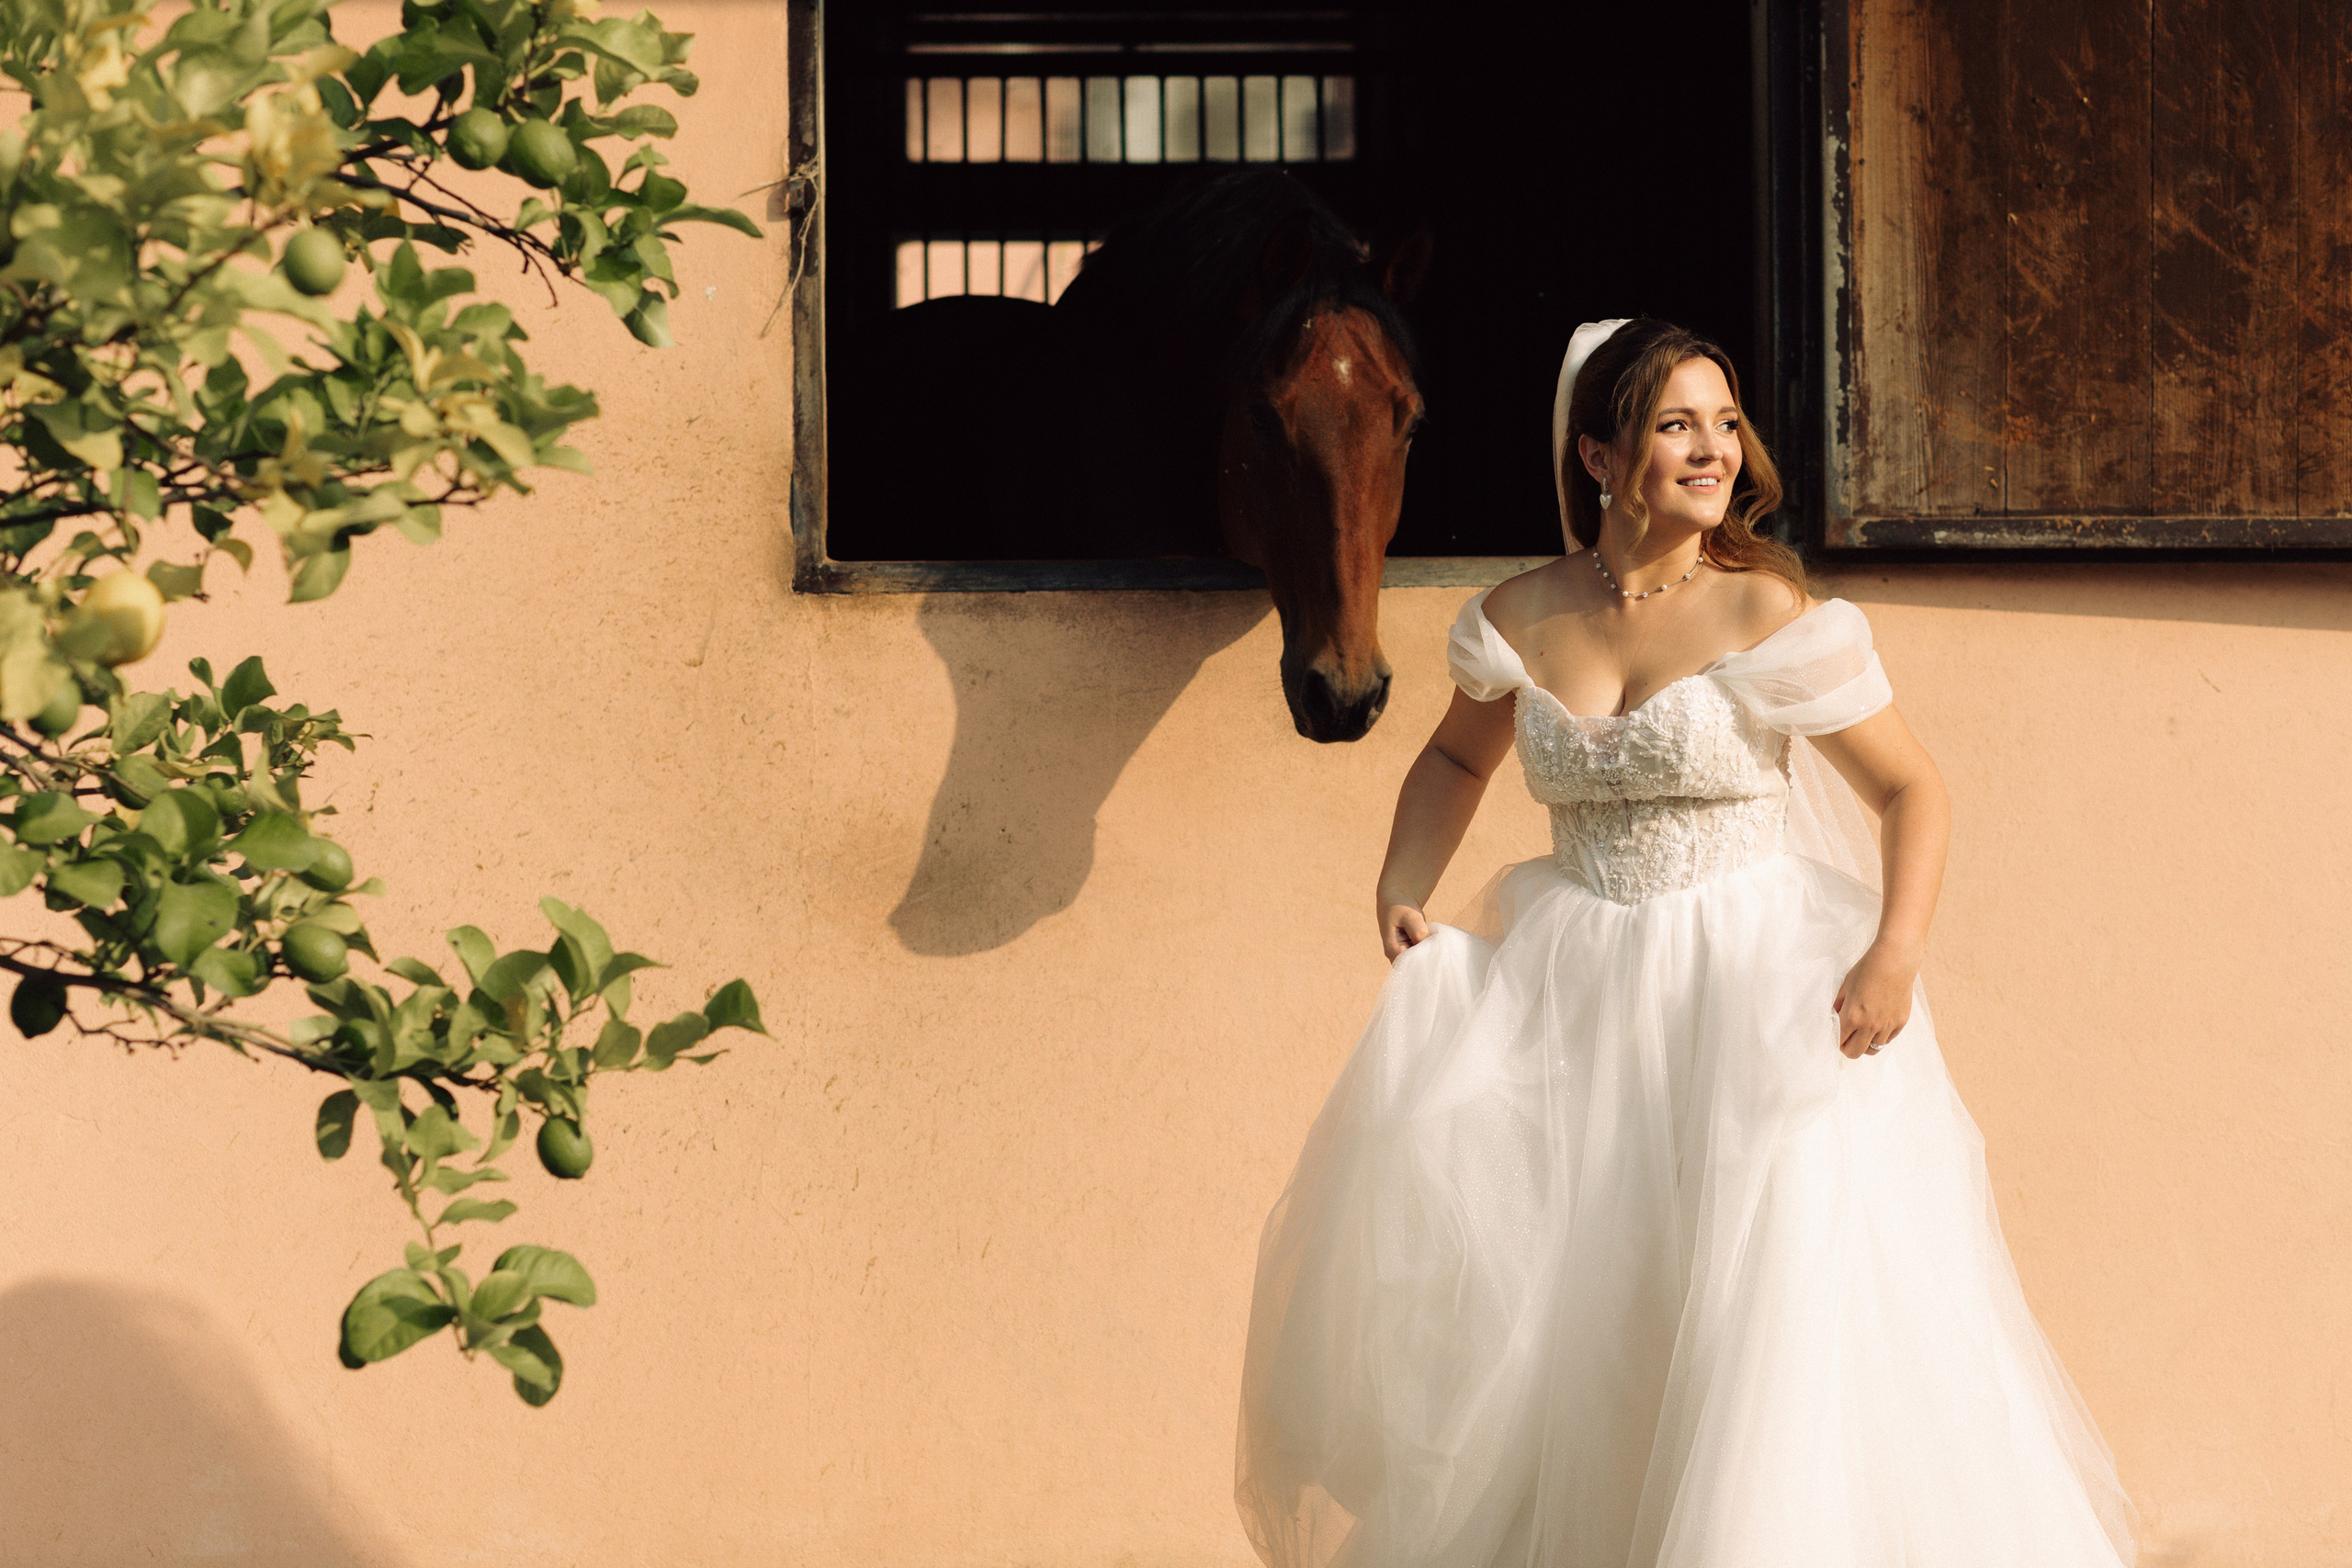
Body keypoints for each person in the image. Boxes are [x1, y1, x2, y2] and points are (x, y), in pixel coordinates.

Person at [1234, 318, 2140, 1567]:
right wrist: (1403, 879)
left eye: (1723, 423)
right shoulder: (1522, 616)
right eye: (1676, 426)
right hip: (1574, 997)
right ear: (1601, 456)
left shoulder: (1764, 607)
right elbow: (1454, 756)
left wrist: (1896, 953)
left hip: (1753, 999)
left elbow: (1913, 792)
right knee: (1577, 1323)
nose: (1712, 449)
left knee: (1757, 1326)